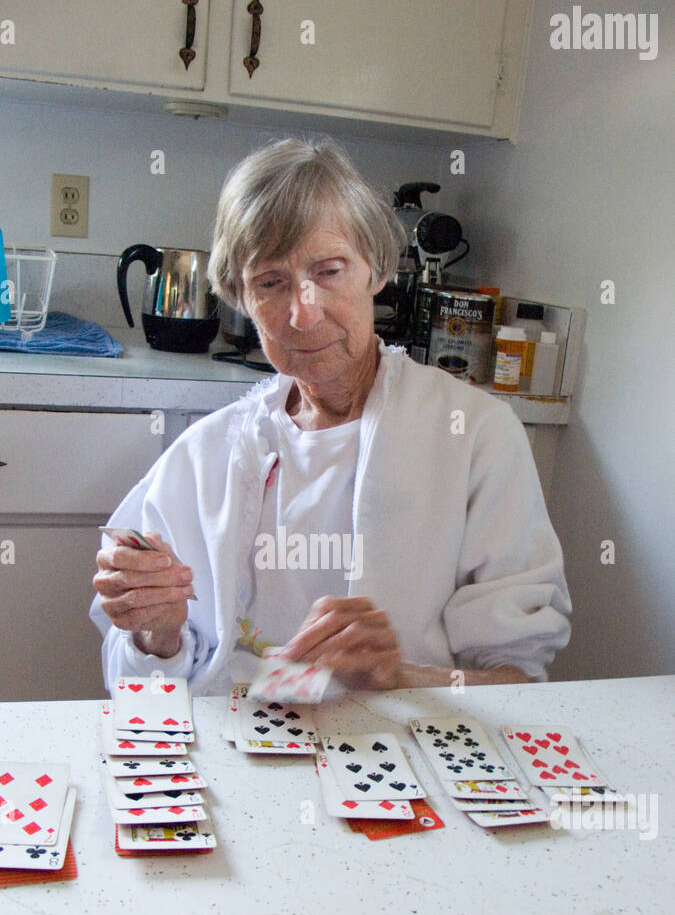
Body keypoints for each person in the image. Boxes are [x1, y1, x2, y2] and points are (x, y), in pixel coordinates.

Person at [90, 137, 571, 694]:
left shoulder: (474, 437)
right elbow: (143, 693)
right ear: (240, 299)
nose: (303, 312)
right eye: (271, 282)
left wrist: (401, 676)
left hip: (404, 752)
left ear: (375, 269)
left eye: (330, 270)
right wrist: (157, 633)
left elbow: (519, 682)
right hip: (234, 753)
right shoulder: (205, 456)